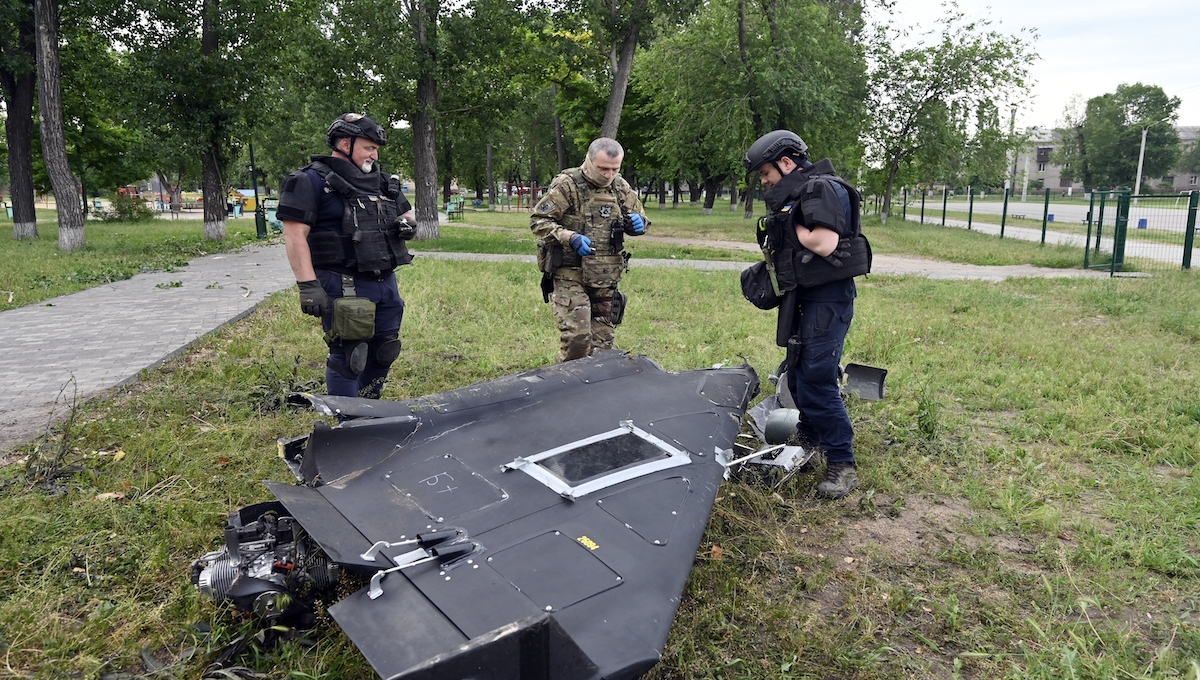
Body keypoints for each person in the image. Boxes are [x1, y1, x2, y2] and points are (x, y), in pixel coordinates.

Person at [742, 130, 871, 498]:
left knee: (817, 380)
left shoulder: (820, 189)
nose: (765, 182)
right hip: (806, 297)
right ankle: (811, 443)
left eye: (766, 173)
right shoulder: (802, 191)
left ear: (786, 163)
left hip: (828, 300)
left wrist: (791, 223)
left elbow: (823, 241)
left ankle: (842, 464)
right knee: (797, 378)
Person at [278, 113, 416, 399]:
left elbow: (407, 213)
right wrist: (308, 285)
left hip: (385, 280)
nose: (374, 155)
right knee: (351, 354)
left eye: (376, 149)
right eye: (369, 148)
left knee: (385, 349)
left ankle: (369, 407)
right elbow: (294, 235)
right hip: (342, 282)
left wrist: (407, 225)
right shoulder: (309, 181)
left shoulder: (382, 182)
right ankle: (348, 420)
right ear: (344, 143)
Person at [531, 138, 650, 362]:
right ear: (589, 160)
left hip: (605, 274)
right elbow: (538, 221)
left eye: (615, 169)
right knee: (578, 339)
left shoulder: (620, 187)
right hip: (569, 271)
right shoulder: (567, 185)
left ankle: (595, 391)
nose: (608, 174)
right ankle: (565, 384)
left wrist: (639, 224)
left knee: (603, 345)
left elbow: (641, 219)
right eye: (603, 168)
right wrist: (569, 237)